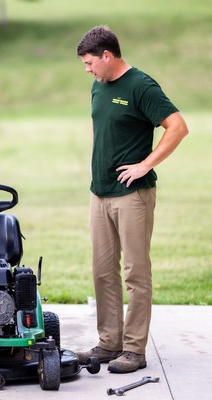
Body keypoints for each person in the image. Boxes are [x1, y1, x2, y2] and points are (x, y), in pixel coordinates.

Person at [75, 26, 188, 373]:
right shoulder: (99, 85)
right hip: (101, 193)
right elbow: (100, 127)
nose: (88, 69)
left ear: (108, 56)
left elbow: (178, 126)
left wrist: (144, 165)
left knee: (135, 274)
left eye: (91, 62)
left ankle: (134, 350)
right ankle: (109, 343)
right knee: (102, 272)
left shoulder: (141, 86)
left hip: (132, 195)